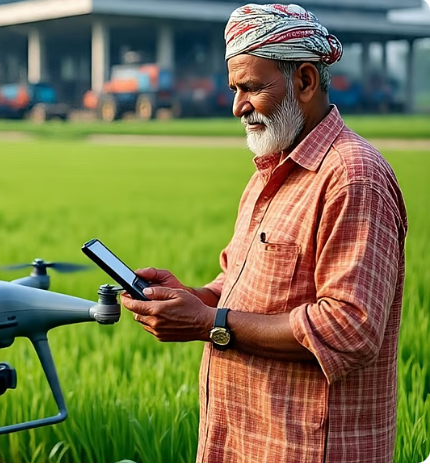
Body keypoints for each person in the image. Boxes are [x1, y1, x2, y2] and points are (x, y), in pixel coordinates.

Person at [120, 4, 407, 463]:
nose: (238, 106)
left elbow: (350, 329)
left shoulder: (353, 177)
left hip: (307, 450)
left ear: (305, 81)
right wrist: (192, 298)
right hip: (241, 442)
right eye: (235, 89)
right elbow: (240, 287)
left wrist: (207, 323)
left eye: (252, 87)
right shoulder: (267, 172)